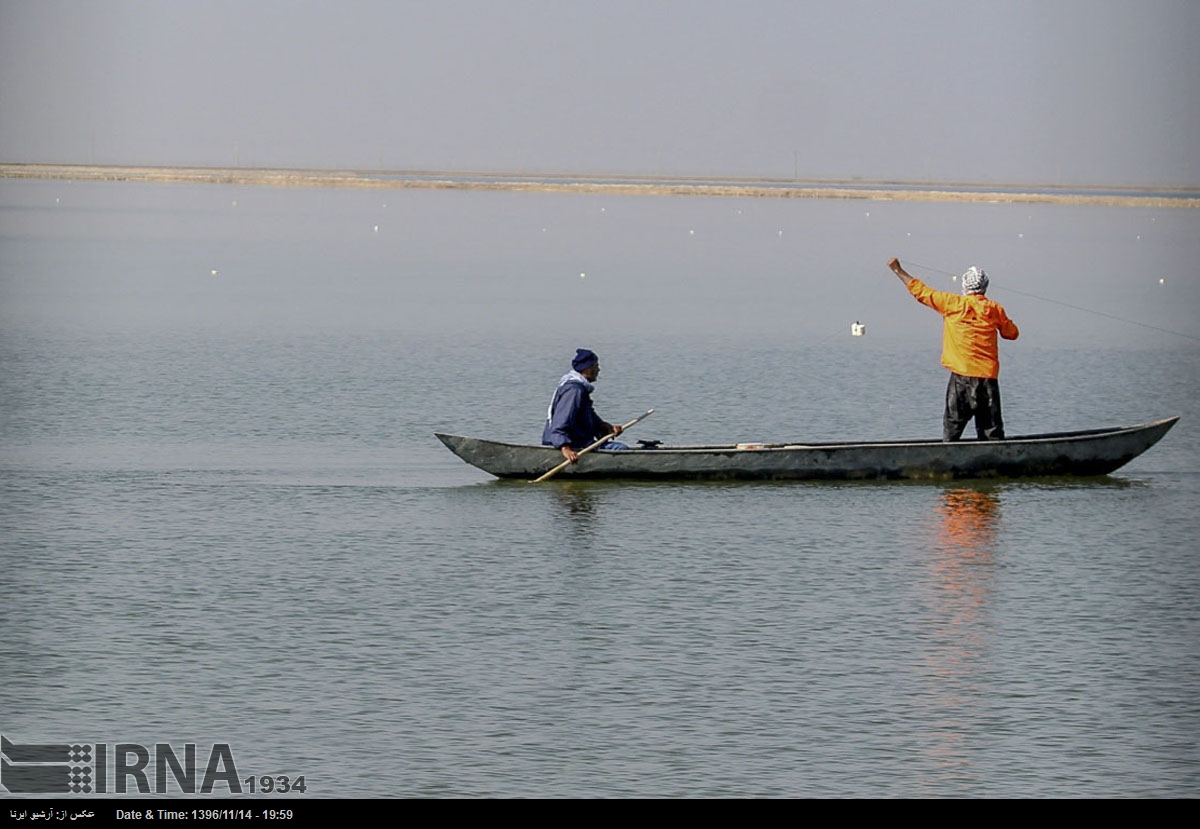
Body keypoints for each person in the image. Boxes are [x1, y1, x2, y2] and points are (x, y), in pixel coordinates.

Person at [888, 258, 1020, 441]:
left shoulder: (951, 303)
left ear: (965, 286)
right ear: (985, 287)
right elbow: (1012, 334)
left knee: (952, 428)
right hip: (987, 379)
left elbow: (921, 292)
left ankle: (947, 459)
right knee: (991, 432)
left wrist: (898, 270)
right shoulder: (995, 309)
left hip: (961, 378)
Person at [542, 348, 627, 463]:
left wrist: (604, 427)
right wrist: (565, 447)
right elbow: (561, 421)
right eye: (596, 366)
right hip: (572, 444)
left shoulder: (580, 388)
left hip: (578, 441)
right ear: (587, 368)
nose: (599, 370)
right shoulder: (574, 390)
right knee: (621, 449)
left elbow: (588, 415)